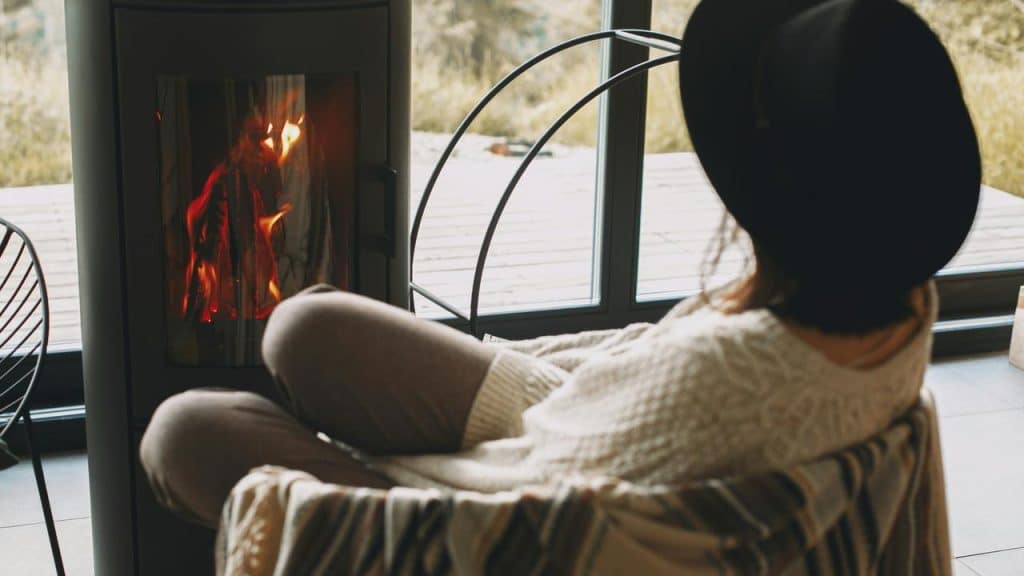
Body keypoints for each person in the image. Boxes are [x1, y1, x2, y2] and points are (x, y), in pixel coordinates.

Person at [141, 0, 981, 529]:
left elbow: (528, 498)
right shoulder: (894, 297)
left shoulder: (725, 378)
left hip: (499, 507)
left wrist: (361, 472)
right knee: (303, 323)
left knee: (184, 432)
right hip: (571, 426)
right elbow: (609, 390)